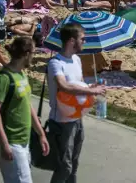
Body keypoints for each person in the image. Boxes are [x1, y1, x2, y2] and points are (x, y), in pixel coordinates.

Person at [48, 23, 106, 183]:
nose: (85, 42)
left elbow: (79, 85)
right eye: (83, 39)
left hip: (77, 119)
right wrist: (90, 91)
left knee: (73, 164)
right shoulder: (55, 63)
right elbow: (64, 86)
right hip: (61, 121)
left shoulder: (77, 60)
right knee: (64, 166)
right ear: (72, 41)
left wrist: (91, 87)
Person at [0, 37, 49, 183]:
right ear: (26, 54)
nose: (33, 58)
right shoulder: (3, 79)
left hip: (24, 140)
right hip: (11, 141)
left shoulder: (21, 74)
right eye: (33, 53)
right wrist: (4, 143)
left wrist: (41, 134)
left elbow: (28, 105)